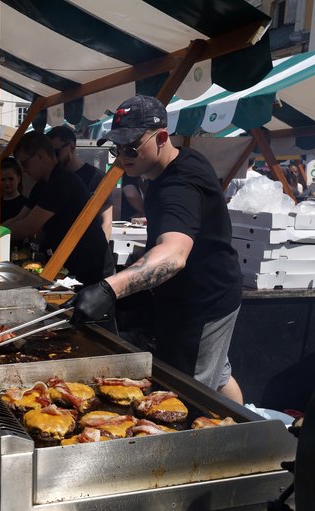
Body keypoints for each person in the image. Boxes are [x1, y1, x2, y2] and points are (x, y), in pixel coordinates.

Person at [72, 95, 243, 403]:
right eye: (117, 148)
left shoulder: (179, 184)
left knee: (186, 396)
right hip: (209, 289)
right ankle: (248, 436)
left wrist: (109, 289)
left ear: (162, 137)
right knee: (217, 376)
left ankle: (215, 447)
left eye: (131, 147)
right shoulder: (177, 164)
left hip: (202, 301)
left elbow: (175, 254)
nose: (123, 156)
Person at [5, 131, 113, 286]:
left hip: (91, 268)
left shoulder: (61, 181)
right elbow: (19, 218)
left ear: (40, 155)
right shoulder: (42, 185)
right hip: (69, 265)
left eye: (25, 163)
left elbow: (29, 226)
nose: (24, 170)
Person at [47, 126, 113, 240]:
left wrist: (99, 252)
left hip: (88, 251)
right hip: (55, 251)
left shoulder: (97, 177)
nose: (53, 158)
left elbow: (106, 221)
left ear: (72, 147)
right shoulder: (50, 177)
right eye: (49, 153)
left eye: (56, 152)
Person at [0, 157, 27, 222]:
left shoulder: (26, 205)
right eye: (3, 179)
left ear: (19, 179)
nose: (7, 183)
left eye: (11, 179)